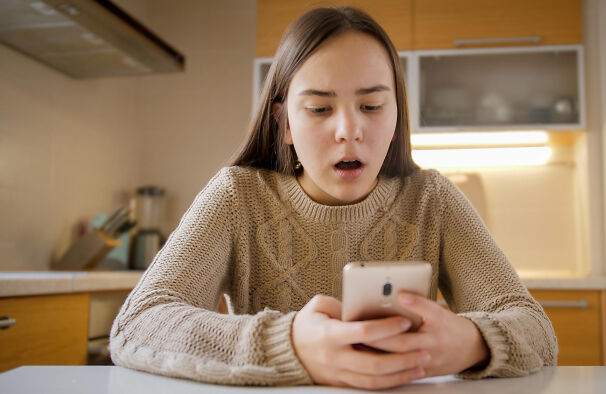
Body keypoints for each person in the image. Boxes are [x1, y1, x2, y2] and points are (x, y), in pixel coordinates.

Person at [109, 6, 558, 390]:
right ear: (284, 123)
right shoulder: (236, 196)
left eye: (372, 106)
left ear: (397, 116)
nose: (349, 130)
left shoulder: (432, 200)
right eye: (320, 109)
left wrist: (471, 341)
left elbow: (537, 331)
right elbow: (138, 325)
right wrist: (288, 345)